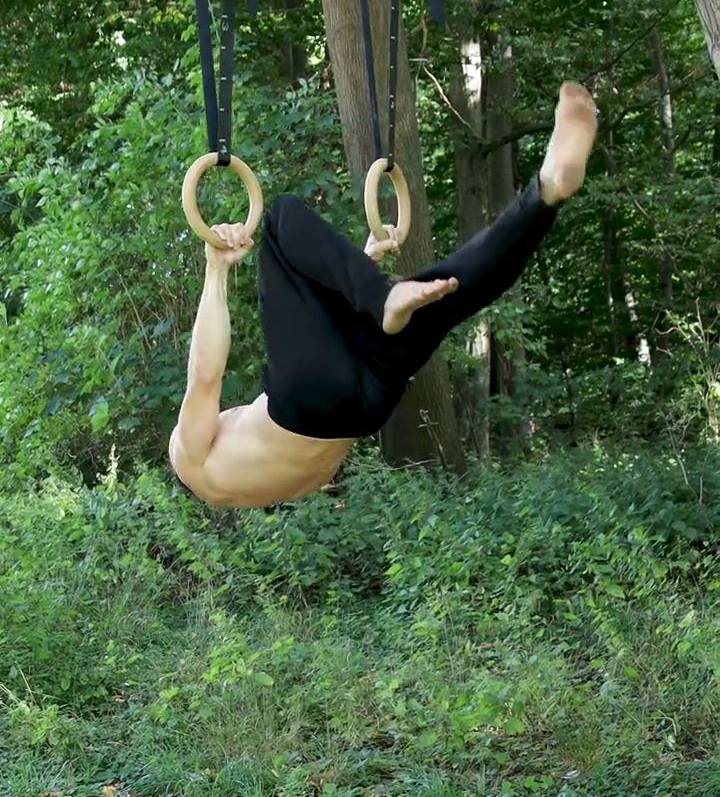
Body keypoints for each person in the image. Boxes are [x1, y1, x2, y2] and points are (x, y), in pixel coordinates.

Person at [169, 82, 598, 508]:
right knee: (281, 220)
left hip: (365, 407)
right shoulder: (187, 458)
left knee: (449, 295)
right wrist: (216, 269)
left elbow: (327, 349)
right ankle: (383, 297)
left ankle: (547, 192)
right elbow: (205, 377)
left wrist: (360, 264)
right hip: (308, 404)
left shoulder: (251, 489)